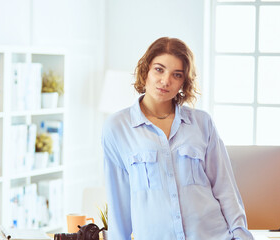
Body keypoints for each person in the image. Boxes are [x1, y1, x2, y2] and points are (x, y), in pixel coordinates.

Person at [101, 37, 254, 240]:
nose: (166, 81)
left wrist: (241, 236)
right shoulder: (117, 127)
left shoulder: (202, 123)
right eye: (159, 69)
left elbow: (225, 188)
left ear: (184, 81)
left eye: (177, 74)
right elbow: (118, 201)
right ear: (146, 69)